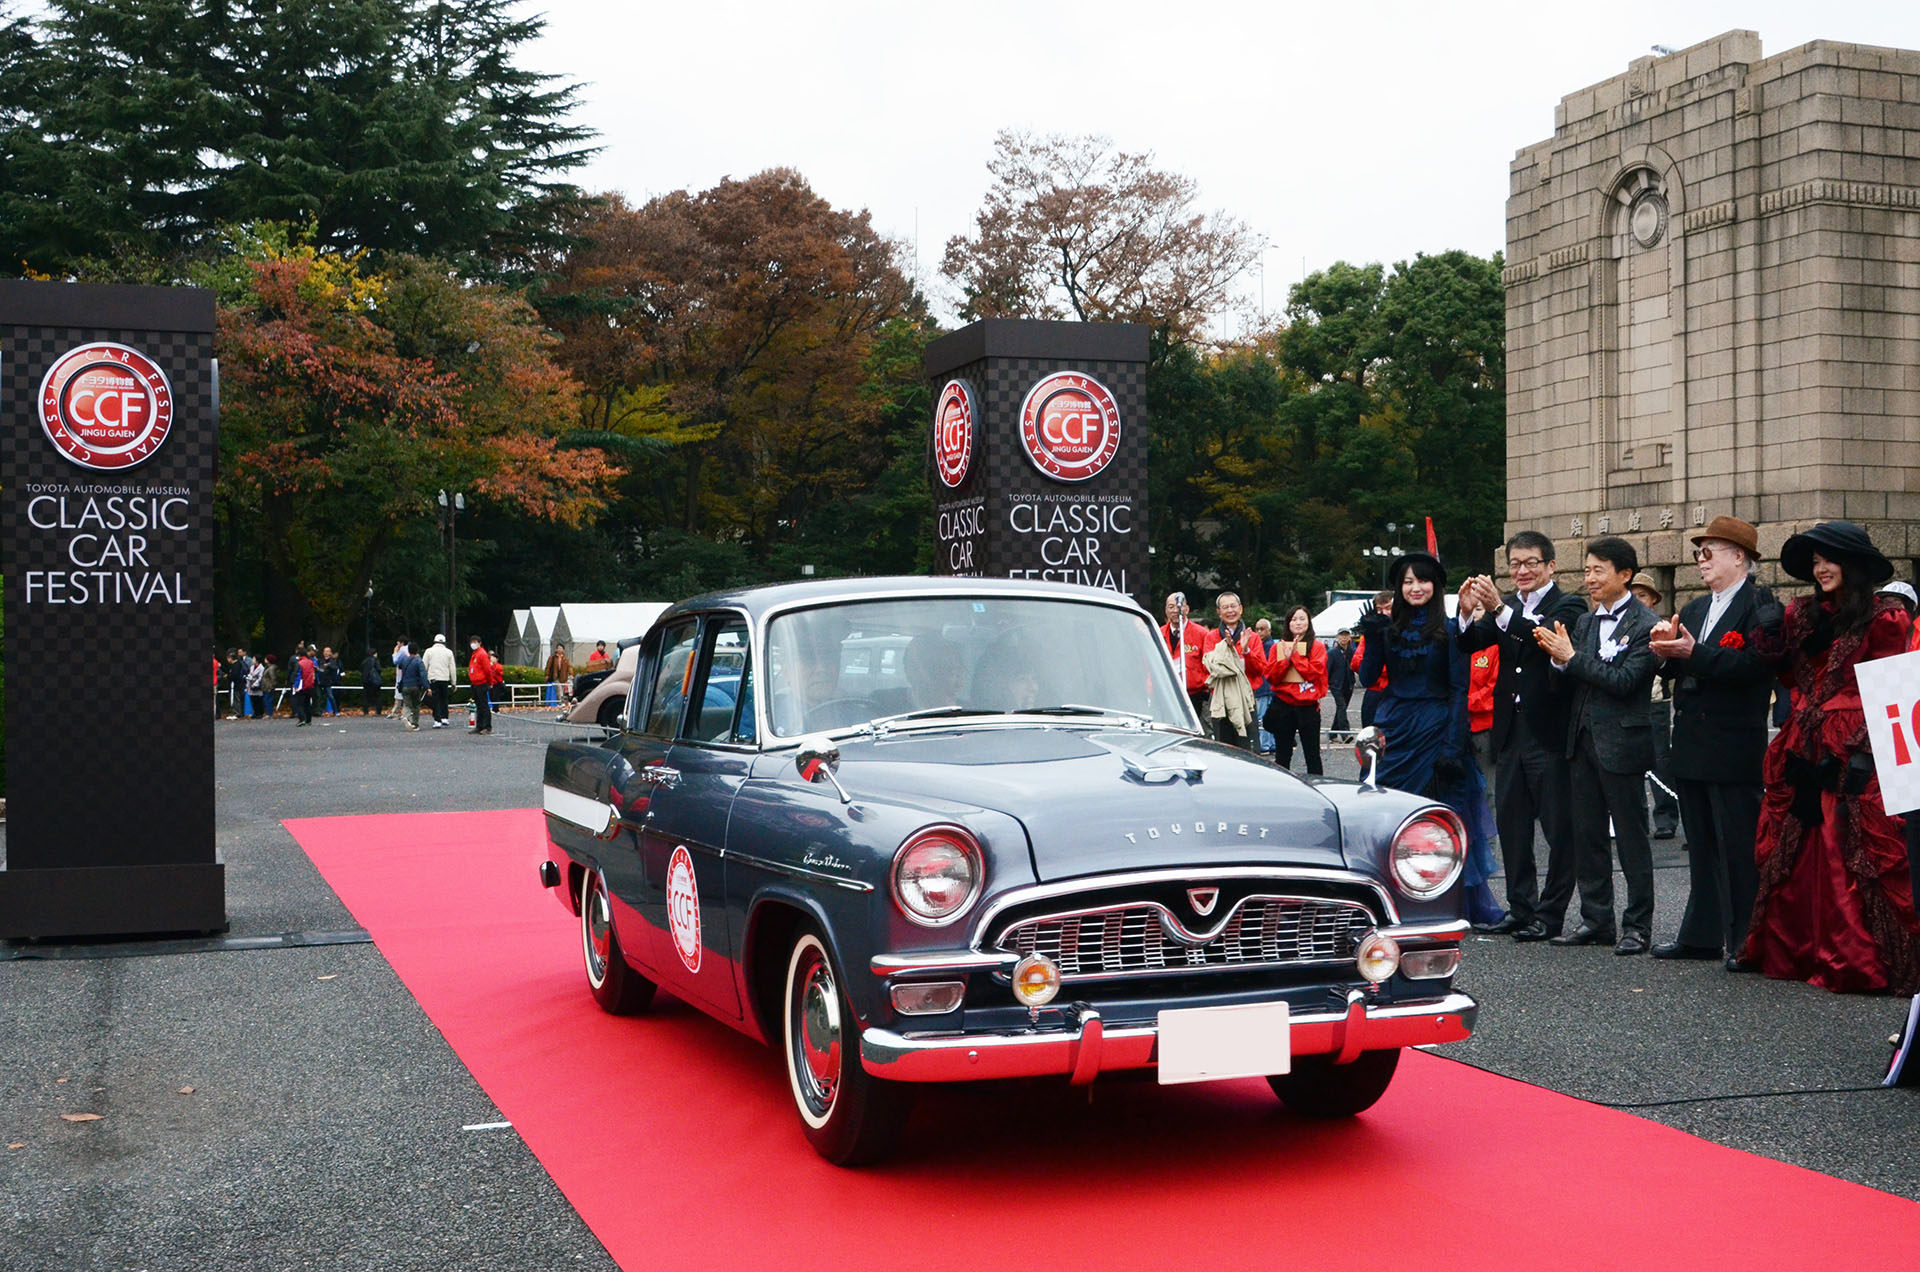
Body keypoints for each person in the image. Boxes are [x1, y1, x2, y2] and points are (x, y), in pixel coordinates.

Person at [1743, 521, 1919, 994]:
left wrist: (1860, 750)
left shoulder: (1886, 617)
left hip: (1861, 739)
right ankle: (1801, 950)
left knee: (1854, 848)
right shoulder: (1801, 613)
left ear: (1854, 564)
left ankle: (1859, 959)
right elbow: (1793, 677)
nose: (1820, 568)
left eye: (1829, 559)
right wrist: (1769, 649)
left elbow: (1893, 688)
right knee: (1801, 845)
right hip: (1803, 737)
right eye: (1815, 561)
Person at [1646, 517, 1779, 967]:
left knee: (1738, 849)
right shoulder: (1698, 608)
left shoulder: (1761, 603)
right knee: (1700, 845)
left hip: (1732, 742)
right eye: (1698, 554)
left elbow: (1755, 666)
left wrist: (1693, 654)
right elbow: (1681, 664)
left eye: (1710, 552)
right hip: (1692, 740)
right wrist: (1663, 652)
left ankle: (1746, 939)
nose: (1701, 561)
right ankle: (1701, 934)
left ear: (1739, 556)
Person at [1459, 531, 1590, 941]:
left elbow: (1538, 641)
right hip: (1509, 731)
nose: (1522, 571)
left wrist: (1497, 608)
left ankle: (1551, 914)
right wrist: (1466, 612)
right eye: (1515, 564)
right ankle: (1521, 907)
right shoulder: (1508, 607)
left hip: (1548, 732)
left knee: (1557, 829)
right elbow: (1470, 641)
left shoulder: (1568, 604)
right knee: (1512, 825)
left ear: (1551, 565)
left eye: (1531, 562)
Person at [1358, 553, 1502, 926]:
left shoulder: (1451, 628)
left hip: (1437, 727)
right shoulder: (1388, 629)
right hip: (1394, 727)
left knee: (1445, 816)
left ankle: (1450, 903)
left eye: (1421, 581)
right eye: (1406, 582)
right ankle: (1386, 899)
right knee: (1385, 816)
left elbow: (1459, 688)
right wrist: (1372, 635)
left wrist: (1453, 745)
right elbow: (1369, 677)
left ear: (1436, 586)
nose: (1414, 588)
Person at [1533, 536, 1660, 955]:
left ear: (1625, 575)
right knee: (1587, 835)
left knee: (1631, 837)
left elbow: (1624, 682)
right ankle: (1596, 919)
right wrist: (1556, 660)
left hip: (1622, 741)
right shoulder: (1585, 623)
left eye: (1598, 570)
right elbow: (1568, 682)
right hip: (1582, 740)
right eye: (1586, 570)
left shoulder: (1646, 624)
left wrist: (1572, 658)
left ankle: (1638, 925)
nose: (1589, 578)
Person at [1629, 574, 1681, 841]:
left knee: (1660, 761)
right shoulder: (1622, 624)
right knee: (1628, 764)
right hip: (1628, 703)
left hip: (1656, 702)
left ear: (1652, 600)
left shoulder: (1661, 626)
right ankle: (1633, 818)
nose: (1638, 600)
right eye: (1634, 594)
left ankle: (1666, 818)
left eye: (1643, 595)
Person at [1264, 605, 1327, 775]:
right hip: (1283, 704)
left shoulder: (1317, 647)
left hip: (1308, 706)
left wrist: (1295, 657)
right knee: (1282, 754)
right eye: (1294, 619)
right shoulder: (1278, 647)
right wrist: (1284, 659)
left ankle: (1317, 789)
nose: (1298, 623)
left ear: (1309, 622)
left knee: (1312, 754)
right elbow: (1271, 676)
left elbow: (1314, 673)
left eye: (1302, 619)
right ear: (1287, 623)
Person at [1208, 592, 1268, 751]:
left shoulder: (1253, 637)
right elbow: (1211, 668)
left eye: (1233, 606)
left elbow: (1260, 669)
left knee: (1249, 749)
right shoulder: (1211, 637)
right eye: (1225, 607)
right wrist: (1226, 649)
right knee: (1224, 749)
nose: (1230, 610)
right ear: (1218, 612)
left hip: (1246, 699)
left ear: (1240, 609)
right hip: (1221, 699)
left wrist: (1246, 650)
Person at [1160, 592, 1217, 736]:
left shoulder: (1200, 633)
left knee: (1199, 734)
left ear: (1187, 609)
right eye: (1170, 607)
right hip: (1168, 694)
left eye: (1178, 606)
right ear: (1166, 610)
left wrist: (1203, 684)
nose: (1174, 610)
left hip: (1196, 695)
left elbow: (1209, 665)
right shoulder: (1159, 633)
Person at [1356, 591, 1392, 727]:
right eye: (1379, 609)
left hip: (1395, 691)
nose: (1384, 613)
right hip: (1374, 691)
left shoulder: (1404, 632)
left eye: (1388, 608)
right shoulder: (1370, 635)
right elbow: (1357, 661)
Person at [1326, 629, 1357, 741]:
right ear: (1337, 637)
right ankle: (1345, 734)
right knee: (1342, 706)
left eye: (1346, 635)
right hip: (1336, 685)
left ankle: (1333, 734)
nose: (1344, 638)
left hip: (1348, 684)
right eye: (1341, 635)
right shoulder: (1332, 653)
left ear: (1349, 637)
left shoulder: (1352, 652)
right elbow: (1327, 670)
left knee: (1342, 709)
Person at [1252, 618, 1277, 753]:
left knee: (1262, 717)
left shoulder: (1268, 646)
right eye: (1257, 629)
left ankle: (1265, 744)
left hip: (1264, 687)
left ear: (1269, 630)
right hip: (1269, 687)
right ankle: (1271, 743)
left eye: (1262, 629)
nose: (1259, 632)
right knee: (1269, 716)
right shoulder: (1269, 645)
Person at [423, 633, 457, 728]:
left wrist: (423, 681)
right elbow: (452, 668)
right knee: (444, 699)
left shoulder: (428, 651)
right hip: (444, 679)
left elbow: (424, 667)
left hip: (433, 679)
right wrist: (454, 683)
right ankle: (445, 718)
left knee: (435, 700)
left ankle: (437, 720)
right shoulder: (449, 652)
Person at [395, 642, 427, 731]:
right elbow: (423, 675)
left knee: (407, 704)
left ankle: (405, 717)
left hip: (405, 685)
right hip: (416, 686)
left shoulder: (405, 660)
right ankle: (415, 724)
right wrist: (427, 687)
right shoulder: (419, 661)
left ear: (408, 651)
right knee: (416, 705)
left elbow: (399, 665)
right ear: (417, 650)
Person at [468, 637, 495, 735]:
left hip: (481, 682)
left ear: (480, 643)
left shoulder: (482, 654)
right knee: (479, 705)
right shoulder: (475, 654)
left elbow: (487, 670)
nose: (473, 644)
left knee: (483, 705)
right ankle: (479, 726)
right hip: (475, 683)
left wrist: (490, 682)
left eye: (475, 642)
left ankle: (487, 726)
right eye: (472, 642)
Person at [292, 643, 317, 727]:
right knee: (307, 703)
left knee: (299, 703)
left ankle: (302, 719)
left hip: (302, 686)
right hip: (310, 685)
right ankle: (308, 720)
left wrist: (295, 686)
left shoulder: (299, 663)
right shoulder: (311, 662)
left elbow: (298, 675)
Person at [544, 642, 574, 707]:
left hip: (563, 677)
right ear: (556, 649)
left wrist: (571, 674)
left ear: (563, 650)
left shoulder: (565, 659)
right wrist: (547, 675)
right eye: (558, 648)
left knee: (563, 690)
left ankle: (562, 702)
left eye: (561, 648)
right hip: (555, 676)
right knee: (559, 689)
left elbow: (569, 667)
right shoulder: (552, 658)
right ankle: (560, 702)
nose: (560, 650)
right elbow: (548, 667)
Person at [389, 638, 412, 719]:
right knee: (407, 694)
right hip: (409, 674)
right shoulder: (410, 648)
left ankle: (395, 712)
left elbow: (395, 661)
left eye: (398, 642)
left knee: (399, 692)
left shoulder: (402, 650)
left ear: (401, 643)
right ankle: (405, 712)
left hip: (401, 674)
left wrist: (395, 652)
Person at [317, 645, 341, 716]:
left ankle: (336, 711)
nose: (326, 653)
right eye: (325, 651)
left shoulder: (333, 661)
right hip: (320, 681)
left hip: (328, 681)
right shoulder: (320, 660)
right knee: (319, 697)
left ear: (330, 653)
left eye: (328, 651)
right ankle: (319, 711)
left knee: (331, 696)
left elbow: (335, 668)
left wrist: (328, 665)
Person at [359, 649, 382, 715]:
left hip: (366, 681)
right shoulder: (375, 660)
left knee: (366, 697)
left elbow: (361, 669)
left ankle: (365, 711)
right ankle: (378, 711)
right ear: (374, 654)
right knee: (378, 696)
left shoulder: (364, 661)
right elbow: (379, 669)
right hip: (375, 681)